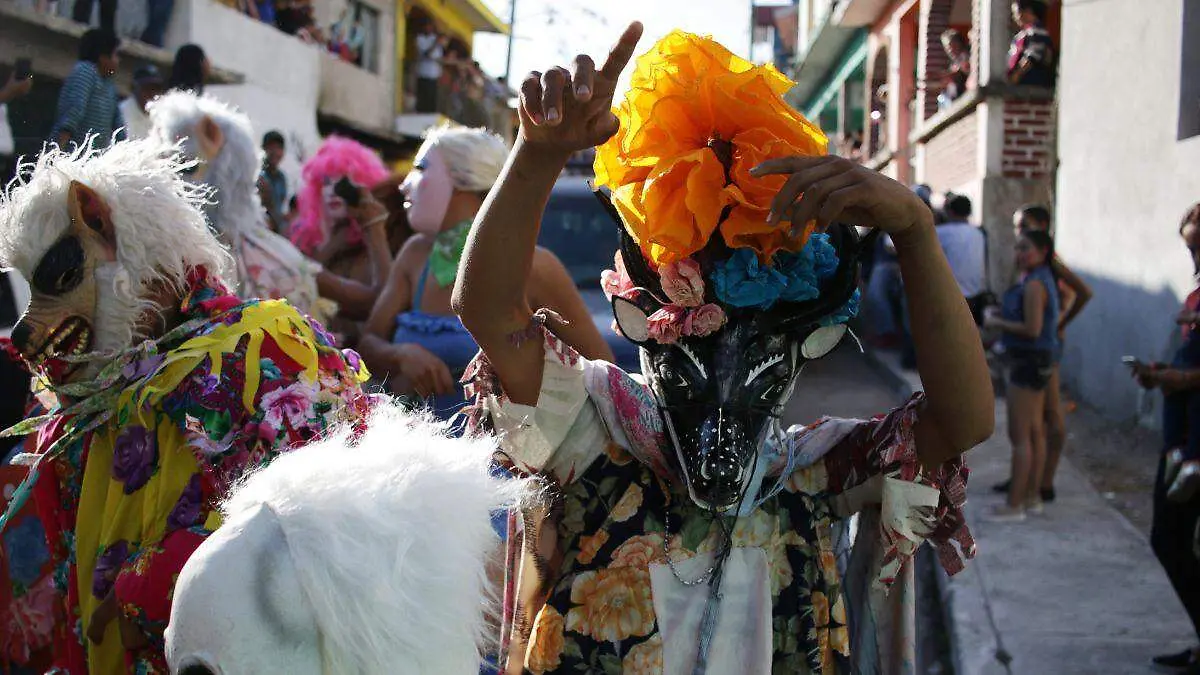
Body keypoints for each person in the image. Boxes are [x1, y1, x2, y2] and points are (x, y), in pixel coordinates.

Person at [454, 24, 992, 672]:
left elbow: (962, 421)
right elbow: (487, 309)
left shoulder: (811, 472)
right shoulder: (596, 430)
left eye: (760, 351)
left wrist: (915, 229)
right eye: (697, 347)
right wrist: (536, 154)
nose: (719, 410)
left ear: (801, 349)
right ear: (647, 326)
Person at [0, 137, 369, 674]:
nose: (33, 323)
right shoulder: (91, 397)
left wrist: (151, 585)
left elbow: (325, 514)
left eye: (60, 281)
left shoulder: (263, 346)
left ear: (104, 225)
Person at [357, 125, 613, 424]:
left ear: (465, 180)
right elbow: (368, 343)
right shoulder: (416, 254)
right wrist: (401, 354)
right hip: (415, 451)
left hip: (505, 462)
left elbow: (603, 373)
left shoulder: (534, 266)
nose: (404, 185)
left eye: (421, 168)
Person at [1131, 203, 1200, 673]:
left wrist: (1181, 380)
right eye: (1190, 249)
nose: (1194, 260)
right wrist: (1164, 375)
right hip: (1183, 438)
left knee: (1173, 539)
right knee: (1171, 539)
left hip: (1195, 446)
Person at [993, 204, 1092, 502]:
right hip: (1038, 344)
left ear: (1040, 225)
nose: (1018, 231)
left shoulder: (1045, 260)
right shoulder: (1028, 260)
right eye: (1016, 226)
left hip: (1042, 347)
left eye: (1023, 224)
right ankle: (1028, 482)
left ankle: (1041, 483)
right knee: (1034, 422)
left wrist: (1059, 322)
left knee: (1048, 419)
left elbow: (1082, 293)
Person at [983, 230, 1060, 521]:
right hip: (1037, 361)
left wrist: (996, 321)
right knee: (1035, 433)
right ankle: (1031, 497)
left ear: (1042, 252)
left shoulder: (1035, 285)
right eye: (1017, 247)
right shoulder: (1037, 279)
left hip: (1026, 363)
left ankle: (1014, 504)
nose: (1019, 254)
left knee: (1020, 436)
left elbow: (1032, 329)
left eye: (1025, 248)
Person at [51, 29, 124, 151]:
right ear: (103, 57)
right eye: (116, 55)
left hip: (93, 160)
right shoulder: (84, 72)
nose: (118, 60)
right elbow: (73, 113)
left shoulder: (109, 83)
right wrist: (57, 154)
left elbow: (118, 124)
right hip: (72, 155)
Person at [936, 192, 988, 323]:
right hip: (976, 294)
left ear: (950, 212)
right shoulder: (978, 233)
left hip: (950, 296)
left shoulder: (941, 232)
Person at [1007, 0, 1056, 87]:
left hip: (1031, 83)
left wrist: (1017, 75)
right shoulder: (1022, 34)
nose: (1015, 17)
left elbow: (1032, 56)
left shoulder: (1037, 31)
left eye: (1017, 12)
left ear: (1028, 11)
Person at [118, 65, 164, 140]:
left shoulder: (161, 114)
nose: (152, 93)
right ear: (134, 88)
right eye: (146, 88)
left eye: (156, 89)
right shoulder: (121, 111)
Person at [258, 129, 288, 233]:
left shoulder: (282, 178)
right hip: (261, 229)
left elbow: (280, 206)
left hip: (277, 230)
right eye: (271, 147)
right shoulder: (258, 176)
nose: (275, 152)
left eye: (279, 148)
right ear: (263, 149)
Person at [413, 20, 444, 113]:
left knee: (432, 99)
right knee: (423, 98)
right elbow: (425, 54)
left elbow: (438, 57)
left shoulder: (435, 39)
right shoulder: (420, 39)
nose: (428, 28)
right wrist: (435, 44)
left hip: (434, 74)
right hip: (423, 73)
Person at [939, 29, 971, 108]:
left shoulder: (967, 56)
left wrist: (957, 72)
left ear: (959, 43)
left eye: (951, 45)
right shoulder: (955, 62)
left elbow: (968, 70)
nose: (949, 49)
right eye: (947, 47)